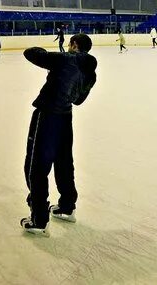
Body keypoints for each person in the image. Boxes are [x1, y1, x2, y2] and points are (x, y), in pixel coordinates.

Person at [20, 33, 97, 236]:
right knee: (64, 163)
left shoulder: (65, 59)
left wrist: (56, 57)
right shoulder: (90, 72)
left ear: (73, 45)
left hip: (47, 116)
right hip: (65, 117)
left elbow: (30, 53)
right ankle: (66, 206)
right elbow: (79, 100)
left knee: (36, 166)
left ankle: (38, 218)